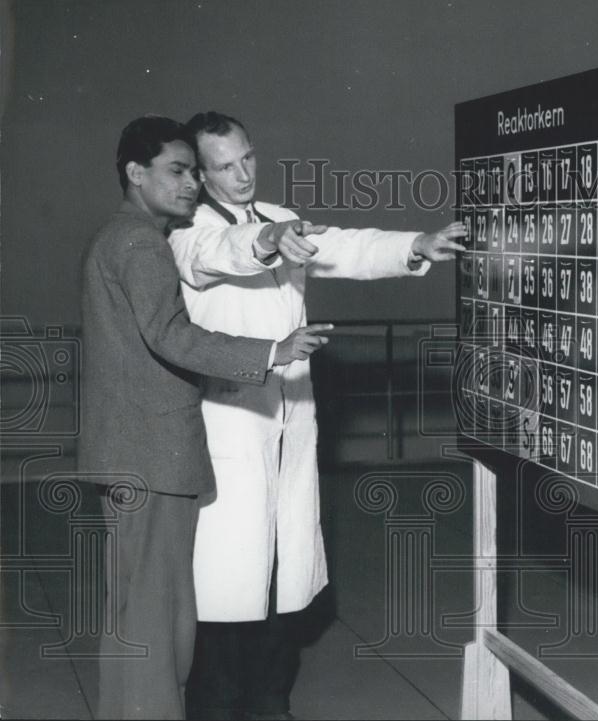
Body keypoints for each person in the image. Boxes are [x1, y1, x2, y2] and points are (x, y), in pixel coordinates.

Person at [167, 111, 465, 720]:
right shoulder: (184, 231)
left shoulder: (281, 219)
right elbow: (221, 254)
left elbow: (348, 246)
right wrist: (266, 244)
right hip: (229, 427)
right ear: (200, 174)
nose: (243, 173)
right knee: (225, 593)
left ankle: (272, 705)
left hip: (290, 425)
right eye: (225, 166)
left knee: (283, 586)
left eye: (247, 156)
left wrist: (416, 246)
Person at [79, 115, 332, 720]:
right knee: (153, 627)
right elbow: (171, 335)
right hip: (151, 456)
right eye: (177, 170)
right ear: (134, 173)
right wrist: (270, 353)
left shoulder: (123, 236)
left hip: (138, 455)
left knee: (146, 621)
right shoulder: (140, 242)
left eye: (195, 171)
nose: (192, 183)